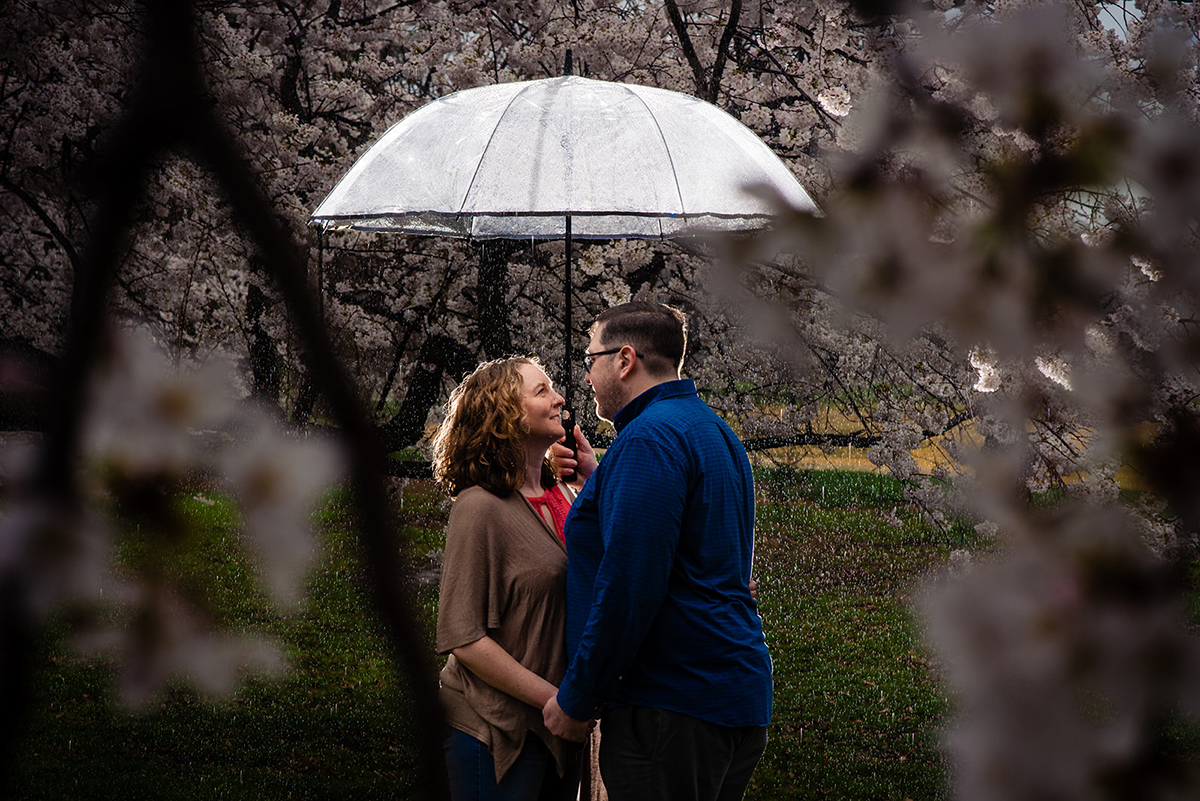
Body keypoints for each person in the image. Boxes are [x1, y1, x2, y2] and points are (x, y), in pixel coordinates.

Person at [543, 302, 772, 801]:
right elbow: (693, 547)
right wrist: (601, 479)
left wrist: (578, 697)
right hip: (731, 696)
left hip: (672, 703)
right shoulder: (711, 429)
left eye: (591, 359)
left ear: (625, 359)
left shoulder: (648, 441)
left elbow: (629, 585)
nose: (586, 377)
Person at [432, 356, 584, 801]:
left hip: (559, 728)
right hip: (493, 730)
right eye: (542, 391)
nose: (559, 399)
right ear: (505, 414)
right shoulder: (478, 507)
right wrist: (553, 699)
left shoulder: (561, 498)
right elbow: (464, 636)